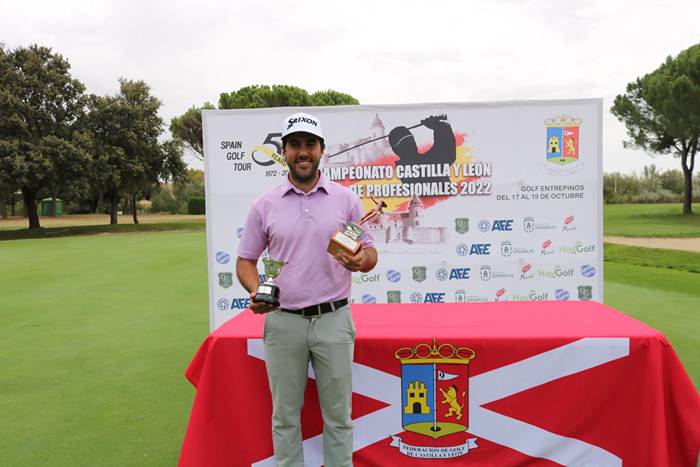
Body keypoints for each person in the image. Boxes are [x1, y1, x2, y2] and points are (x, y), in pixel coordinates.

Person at [236, 112, 378, 467]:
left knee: (339, 417)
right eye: (295, 144)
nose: (303, 152)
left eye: (309, 144)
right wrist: (257, 291)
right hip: (283, 322)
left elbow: (370, 252)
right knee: (285, 417)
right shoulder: (264, 204)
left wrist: (361, 262)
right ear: (283, 151)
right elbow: (245, 261)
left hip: (334, 317)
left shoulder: (345, 199)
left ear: (321, 151)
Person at [388, 114, 456, 185]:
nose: (410, 146)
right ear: (396, 151)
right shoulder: (407, 169)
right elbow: (445, 154)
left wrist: (440, 125)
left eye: (411, 141)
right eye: (405, 144)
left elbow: (443, 153)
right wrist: (440, 125)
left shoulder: (420, 161)